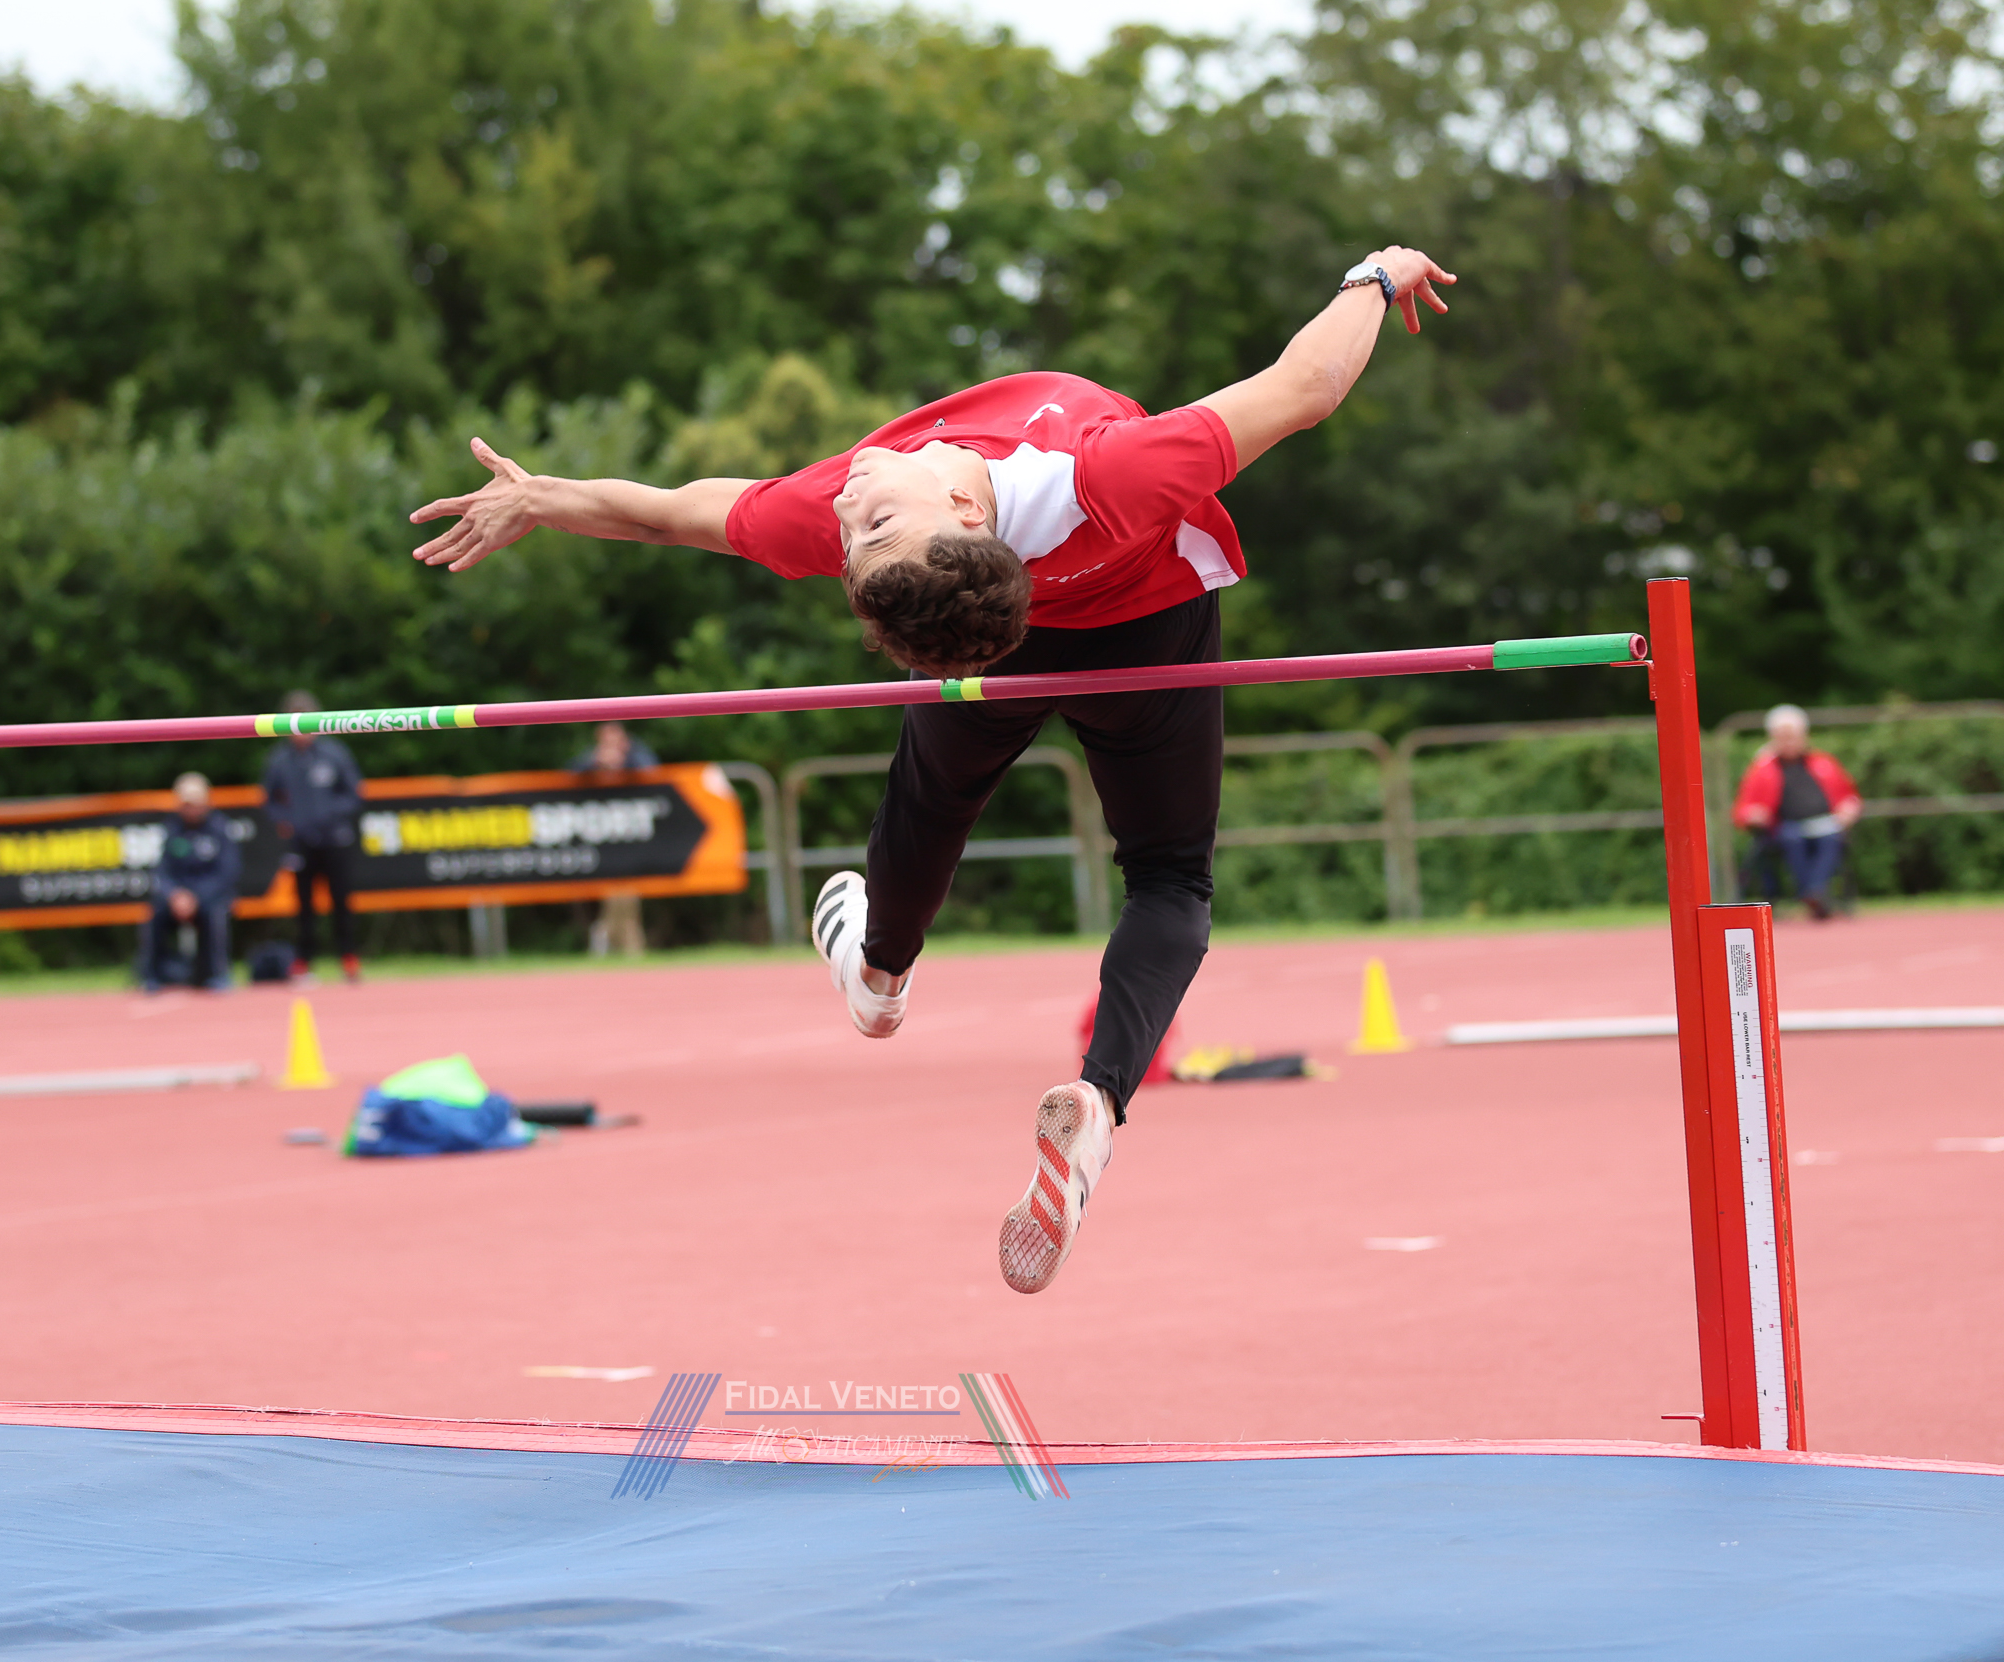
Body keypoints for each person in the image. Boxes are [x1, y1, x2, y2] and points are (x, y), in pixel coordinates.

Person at [411, 242, 1460, 1293]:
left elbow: (670, 512)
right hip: (1140, 619)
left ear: (963, 518)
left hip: (1059, 624)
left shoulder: (863, 503)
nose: (847, 507)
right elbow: (1305, 386)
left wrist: (546, 498)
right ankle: (1100, 1098)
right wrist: (1374, 274)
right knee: (1169, 876)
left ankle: (879, 976)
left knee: (933, 795)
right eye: (860, 533)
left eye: (862, 529)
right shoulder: (1106, 477)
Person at [264, 689, 365, 985]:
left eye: (306, 722)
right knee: (303, 906)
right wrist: (286, 820)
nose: (301, 732)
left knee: (341, 901)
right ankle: (303, 962)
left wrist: (330, 816)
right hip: (301, 842)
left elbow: (353, 793)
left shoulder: (335, 753)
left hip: (335, 840)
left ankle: (349, 958)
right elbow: (269, 800)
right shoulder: (279, 759)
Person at [1730, 706, 1863, 920]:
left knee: (1832, 838)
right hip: (1784, 827)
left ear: (1804, 736)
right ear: (1773, 738)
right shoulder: (1763, 769)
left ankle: (1814, 892)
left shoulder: (1824, 763)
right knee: (1793, 838)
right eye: (1783, 737)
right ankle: (1814, 894)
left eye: (1793, 736)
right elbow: (1743, 808)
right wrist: (1753, 814)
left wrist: (1848, 808)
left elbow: (1848, 795)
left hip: (1826, 823)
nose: (1789, 742)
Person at [138, 772, 241, 993]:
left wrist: (196, 897)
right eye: (186, 804)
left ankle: (218, 974)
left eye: (195, 803)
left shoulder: (219, 827)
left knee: (215, 912)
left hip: (209, 896)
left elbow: (227, 873)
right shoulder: (172, 829)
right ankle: (151, 976)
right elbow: (162, 871)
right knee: (154, 914)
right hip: (178, 898)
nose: (191, 809)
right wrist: (175, 895)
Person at [568, 722, 660, 959]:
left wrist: (624, 763)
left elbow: (654, 772)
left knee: (625, 891)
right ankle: (624, 944)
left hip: (634, 833)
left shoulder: (636, 755)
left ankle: (606, 937)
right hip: (604, 834)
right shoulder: (592, 758)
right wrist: (596, 763)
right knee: (617, 890)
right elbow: (568, 776)